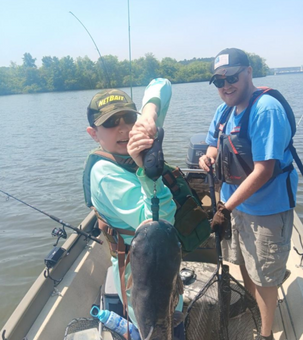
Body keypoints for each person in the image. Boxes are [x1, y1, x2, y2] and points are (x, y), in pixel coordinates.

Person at [199, 48, 298, 340]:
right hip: (234, 204)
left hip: (266, 208)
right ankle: (252, 307)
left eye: (232, 77)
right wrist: (208, 156)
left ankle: (265, 334)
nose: (226, 85)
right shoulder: (224, 109)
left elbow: (263, 170)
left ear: (249, 72)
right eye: (219, 81)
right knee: (243, 262)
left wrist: (225, 209)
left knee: (265, 277)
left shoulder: (266, 109)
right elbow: (213, 144)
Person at [84, 78, 185, 336]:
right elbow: (159, 224)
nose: (123, 129)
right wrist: (145, 170)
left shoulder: (137, 136)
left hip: (168, 275)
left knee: (175, 319)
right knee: (156, 331)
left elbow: (161, 84)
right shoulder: (104, 174)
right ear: (93, 133)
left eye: (129, 118)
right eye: (110, 123)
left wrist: (149, 115)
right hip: (140, 283)